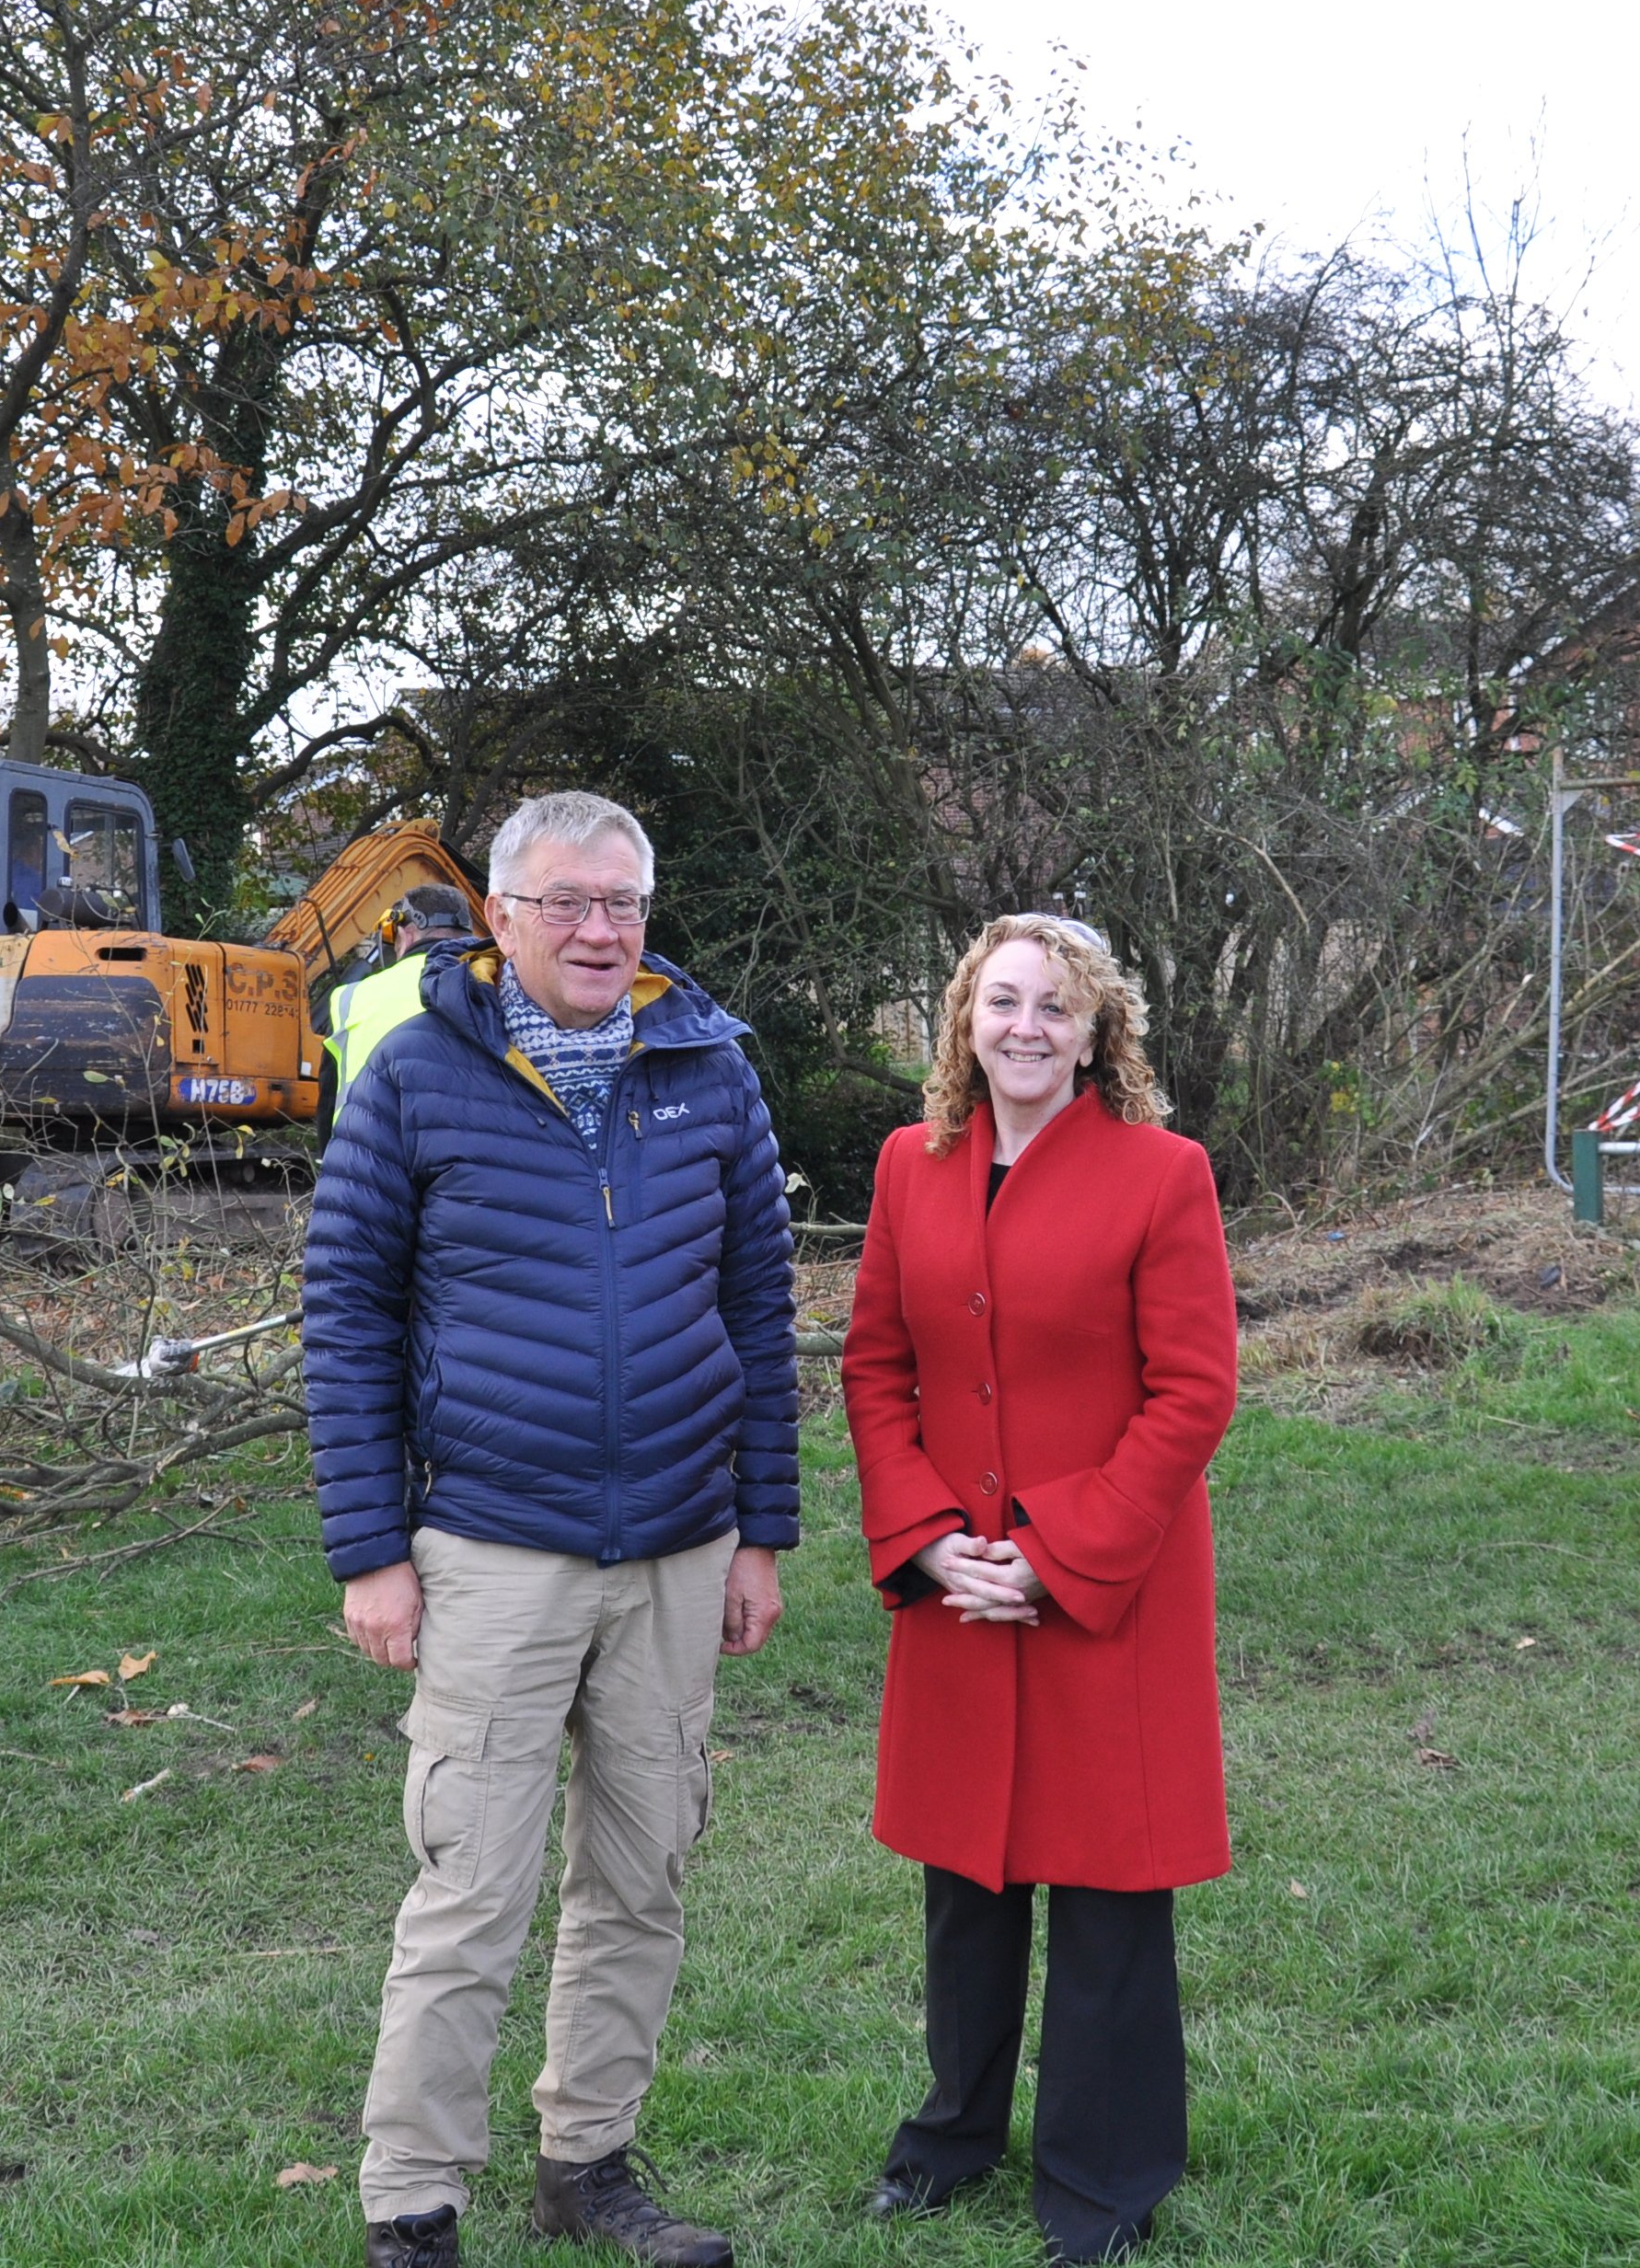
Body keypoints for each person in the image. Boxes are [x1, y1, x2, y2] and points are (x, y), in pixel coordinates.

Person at [306, 792, 801, 2268]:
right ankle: (413, 2203)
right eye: (568, 904)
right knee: (472, 1888)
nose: (600, 931)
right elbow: (345, 1321)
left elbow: (761, 1317)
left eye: (625, 904)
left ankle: (587, 2162)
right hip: (491, 1548)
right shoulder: (413, 1076)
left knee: (640, 1879)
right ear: (503, 918)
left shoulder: (711, 1073)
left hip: (676, 1545)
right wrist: (370, 1553)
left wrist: (761, 1531)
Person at [837, 914, 1238, 2266]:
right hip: (957, 1587)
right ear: (963, 1019)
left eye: (1054, 1009)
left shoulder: (1162, 1173)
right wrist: (929, 1537)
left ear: (1096, 1030)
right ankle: (952, 2135)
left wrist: (1056, 1556)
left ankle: (1104, 2178)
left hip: (1107, 1593)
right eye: (1001, 1001)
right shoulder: (910, 1166)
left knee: (1111, 1893)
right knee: (968, 1880)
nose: (1025, 1027)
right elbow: (875, 1367)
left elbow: (1194, 1395)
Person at [323, 881, 483, 1099]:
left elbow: (329, 1099)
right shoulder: (497, 983)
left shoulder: (349, 1000)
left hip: (365, 1131)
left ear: (406, 934)